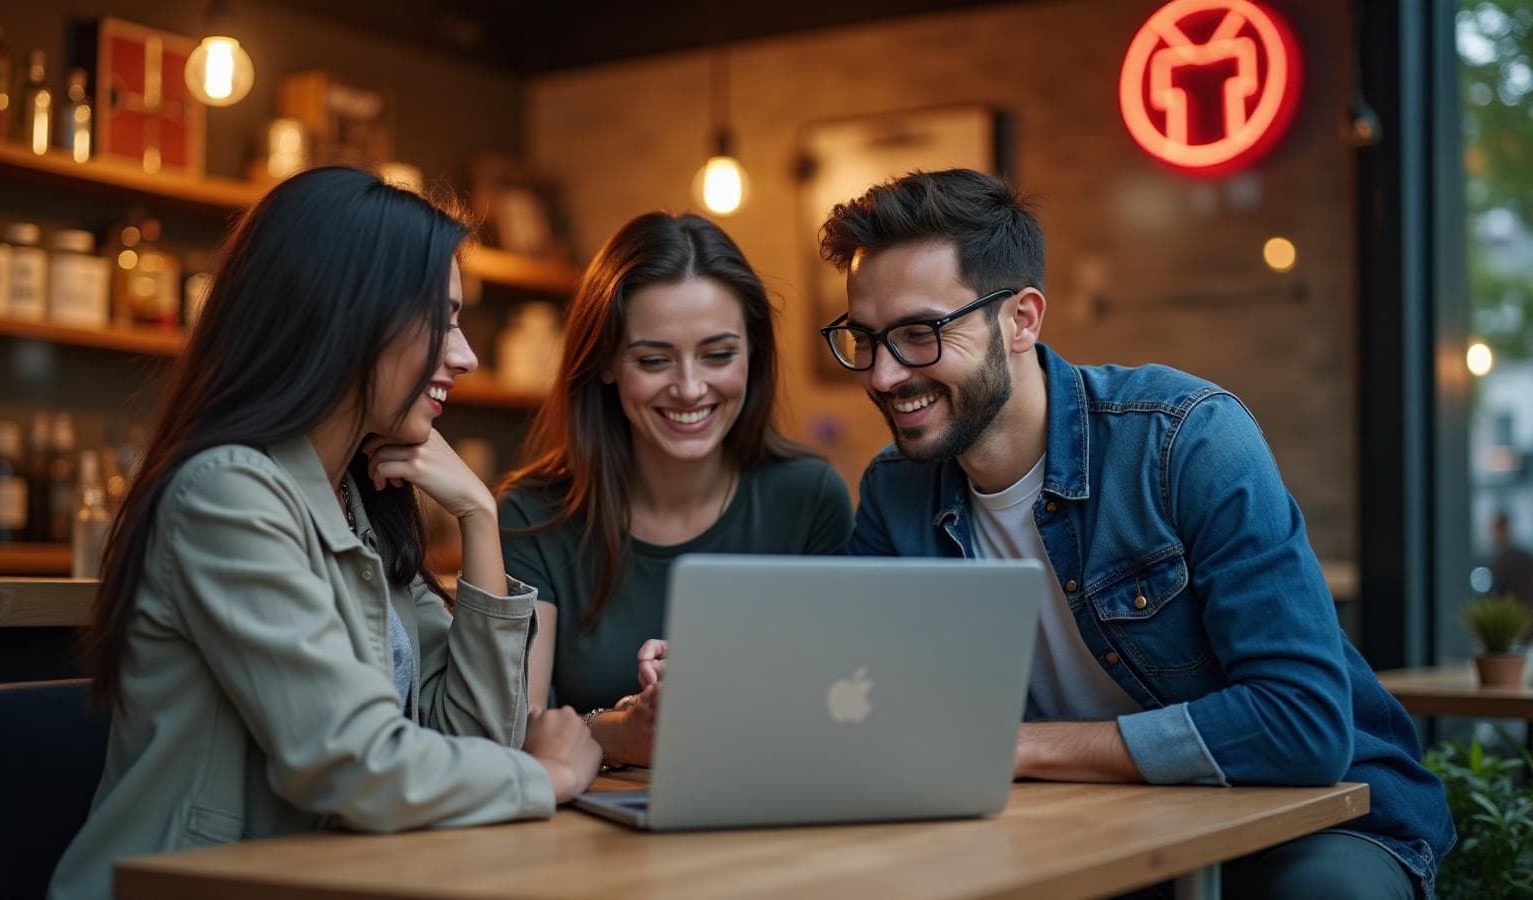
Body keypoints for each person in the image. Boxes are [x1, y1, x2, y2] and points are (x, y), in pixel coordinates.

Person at [813, 168, 1452, 899]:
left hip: (1313, 819)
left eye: (920, 335)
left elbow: (1301, 724)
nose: (882, 374)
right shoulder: (896, 490)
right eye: (864, 339)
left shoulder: (1185, 439)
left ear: (1021, 319)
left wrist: (1025, 748)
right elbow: (873, 706)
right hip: (1080, 823)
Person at [49, 168, 600, 900]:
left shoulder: (359, 502)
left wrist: (478, 517)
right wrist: (547, 775)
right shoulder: (230, 495)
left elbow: (471, 744)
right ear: (346, 316)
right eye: (442, 319)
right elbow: (354, 764)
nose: (465, 355)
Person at [498, 211, 853, 768]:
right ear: (607, 363)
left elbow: (839, 704)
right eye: (654, 360)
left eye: (718, 354)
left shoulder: (810, 497)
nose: (690, 388)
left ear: (753, 354)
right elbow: (515, 729)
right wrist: (623, 730)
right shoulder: (532, 514)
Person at [1489, 510, 1533, 607]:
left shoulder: (1507, 559)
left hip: (1516, 611)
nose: (1495, 535)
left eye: (1498, 530)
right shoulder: (1521, 556)